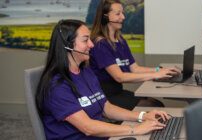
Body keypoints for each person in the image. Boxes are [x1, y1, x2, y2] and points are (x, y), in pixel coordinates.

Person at [36, 19, 170, 140]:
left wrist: (142, 116)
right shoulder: (57, 86)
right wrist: (135, 129)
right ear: (68, 45)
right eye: (85, 40)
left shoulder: (85, 71)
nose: (91, 45)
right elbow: (88, 128)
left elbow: (106, 108)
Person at [90, 0, 181, 110]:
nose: (123, 17)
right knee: (155, 106)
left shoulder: (120, 40)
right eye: (118, 14)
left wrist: (160, 70)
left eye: (122, 13)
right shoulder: (100, 44)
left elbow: (135, 68)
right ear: (105, 17)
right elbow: (120, 77)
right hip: (104, 97)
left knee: (156, 103)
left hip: (118, 92)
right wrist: (155, 75)